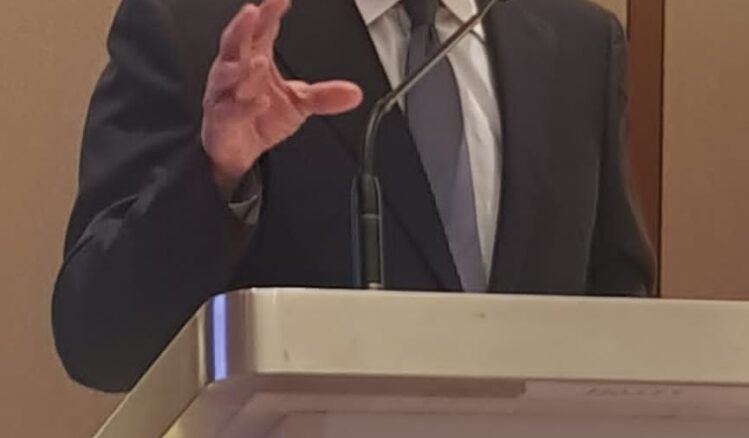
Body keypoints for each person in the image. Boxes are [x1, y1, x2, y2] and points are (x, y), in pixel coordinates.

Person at [52, 0, 655, 392]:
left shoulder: (579, 45)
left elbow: (620, 320)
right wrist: (217, 174)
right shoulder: (197, 26)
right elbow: (99, 343)